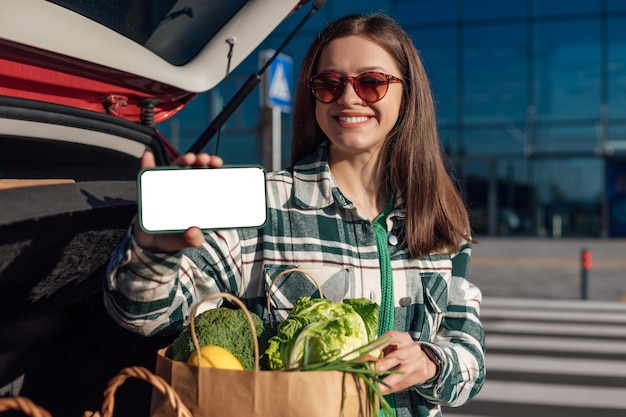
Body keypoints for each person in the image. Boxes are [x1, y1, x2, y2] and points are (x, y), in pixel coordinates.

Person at [104, 13, 485, 417]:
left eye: (371, 82)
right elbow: (143, 317)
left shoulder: (442, 223)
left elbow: (469, 354)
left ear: (407, 95)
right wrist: (154, 252)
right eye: (329, 84)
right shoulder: (265, 206)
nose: (348, 98)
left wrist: (430, 360)